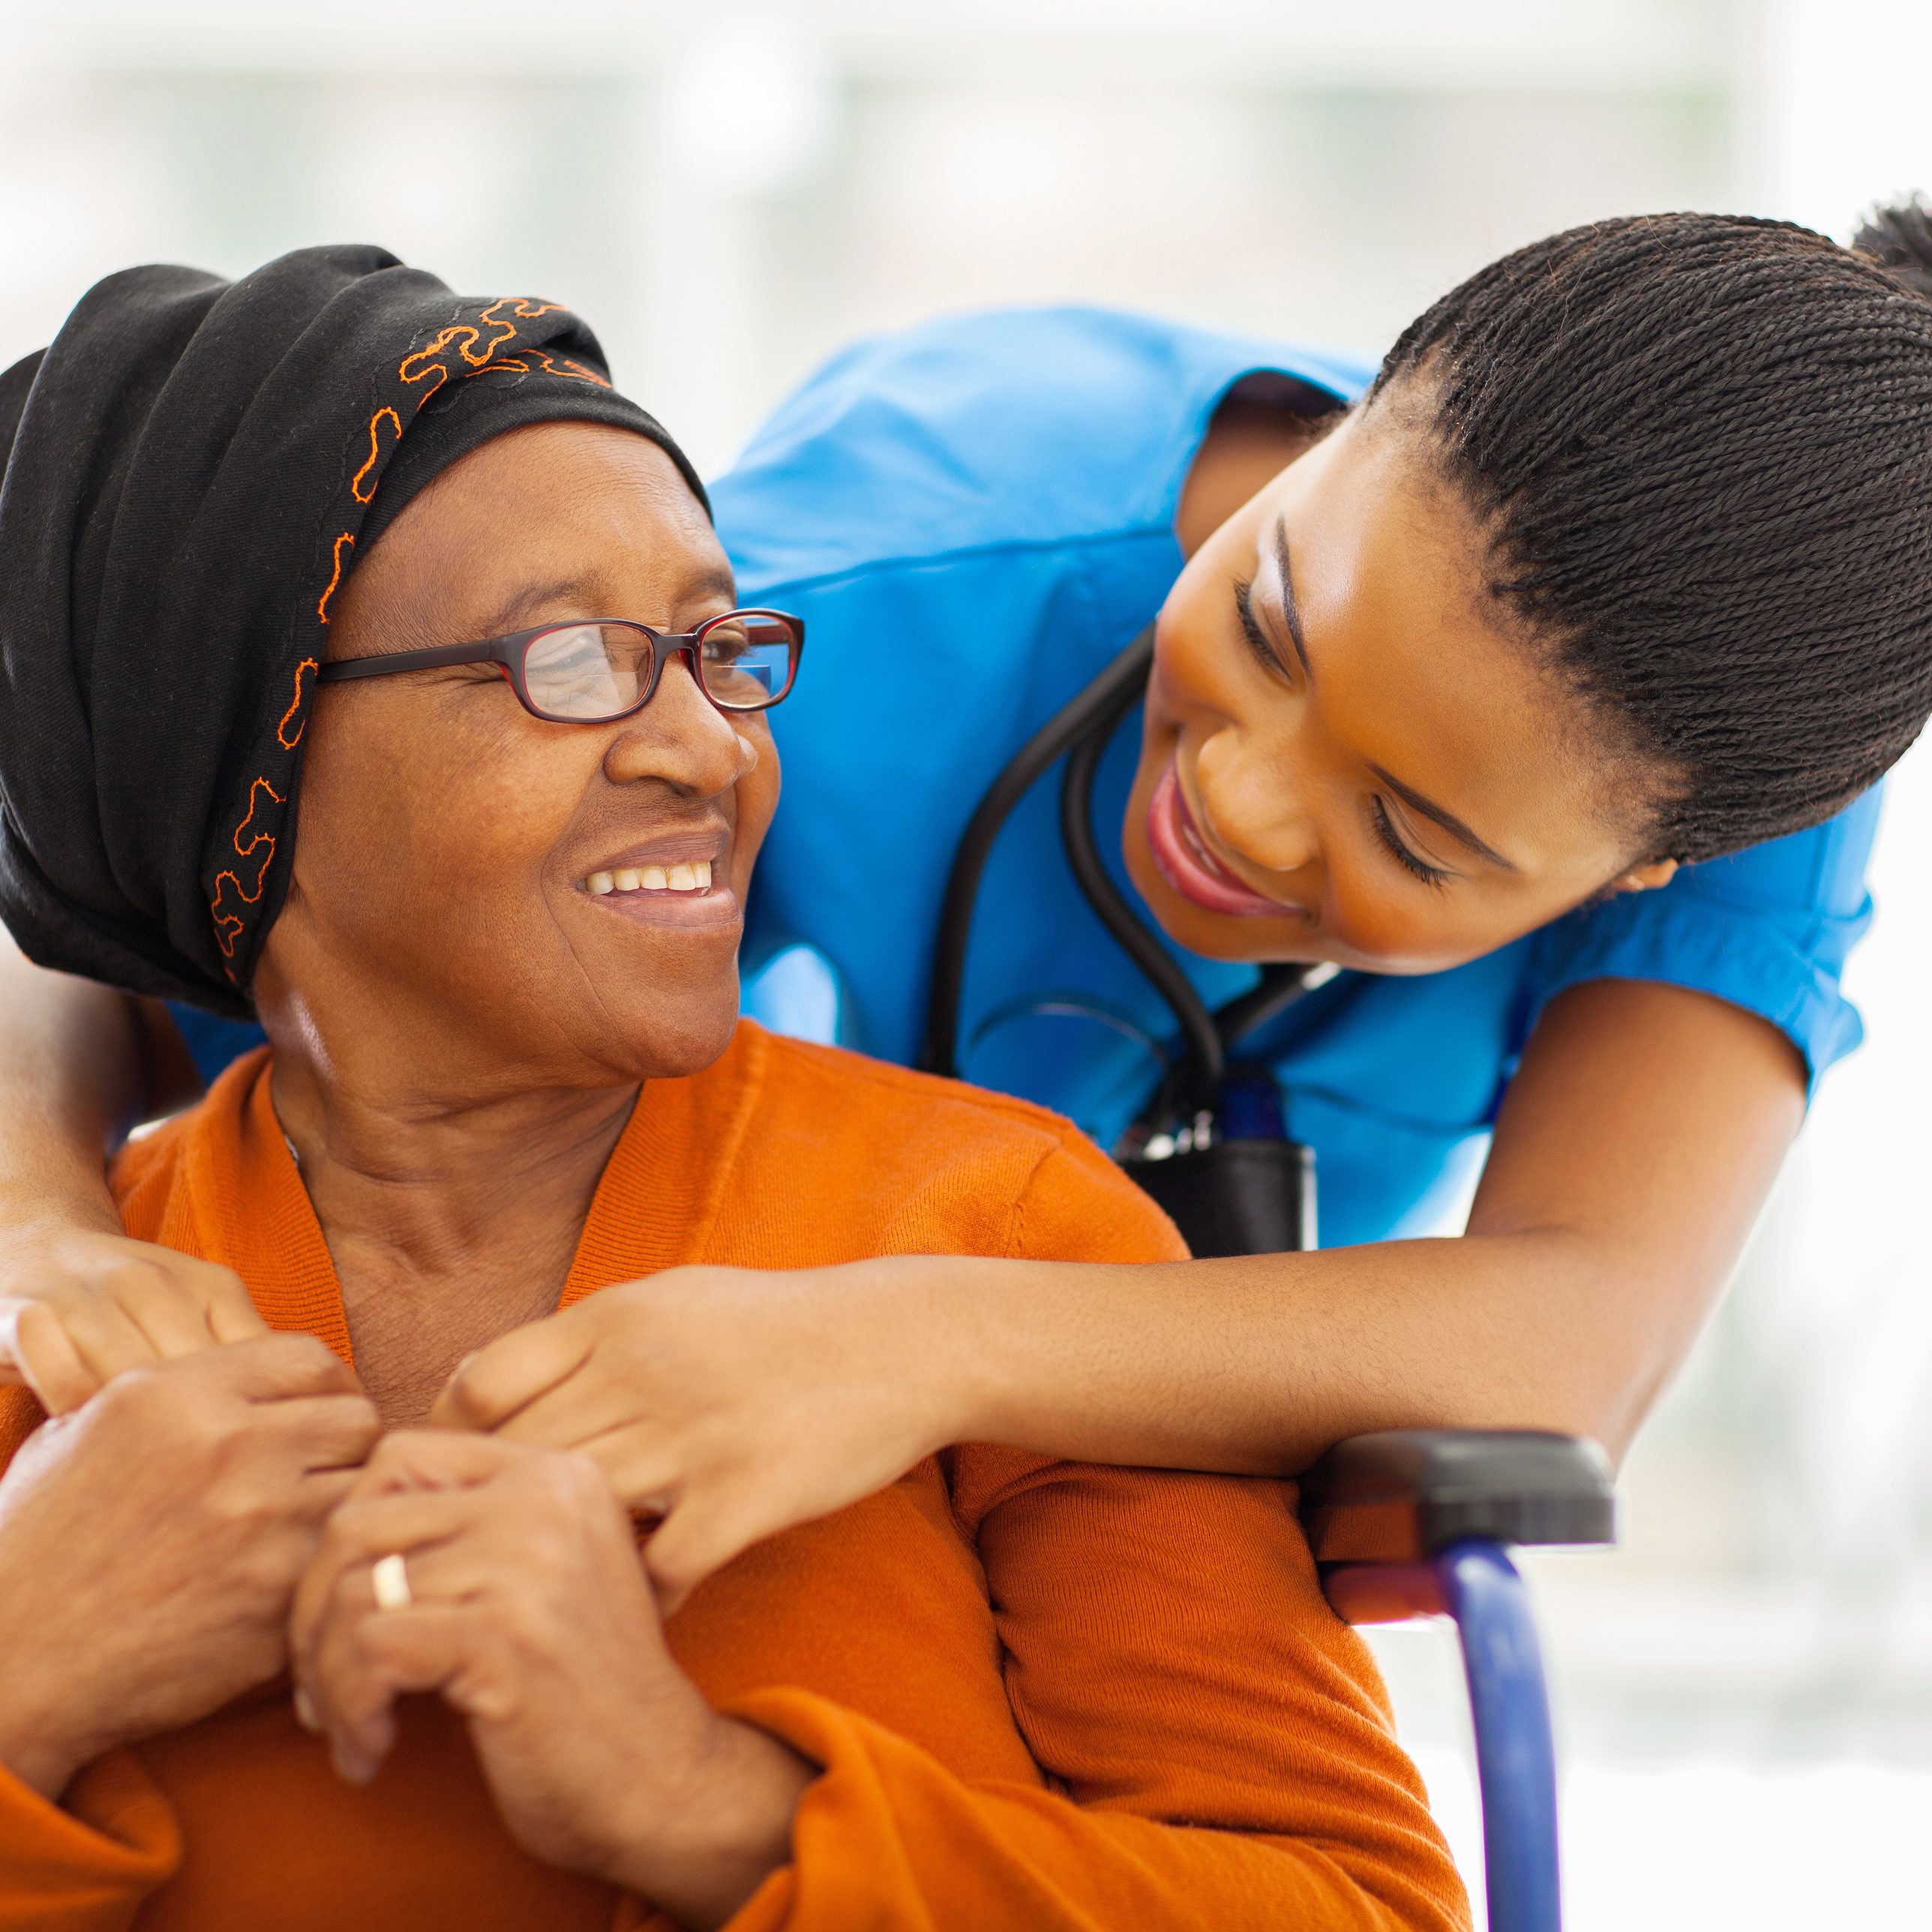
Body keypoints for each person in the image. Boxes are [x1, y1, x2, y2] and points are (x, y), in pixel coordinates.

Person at [4, 208, 1932, 1604]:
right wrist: (35, 1221)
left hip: (1050, 1503)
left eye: (1417, 837)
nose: (1237, 804)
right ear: (1350, 423)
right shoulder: (870, 593)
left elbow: (1568, 1341)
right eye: (1266, 620)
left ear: (1654, 859)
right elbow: (146, 903)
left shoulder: (1721, 727)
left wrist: (901, 1336)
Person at [0, 248, 1464, 1930]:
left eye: (717, 647)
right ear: (242, 759)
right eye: (565, 661)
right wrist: (25, 1667)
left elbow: (1357, 1905)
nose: (709, 746)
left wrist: (694, 1802)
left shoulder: (998, 1231)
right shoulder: (52, 1337)